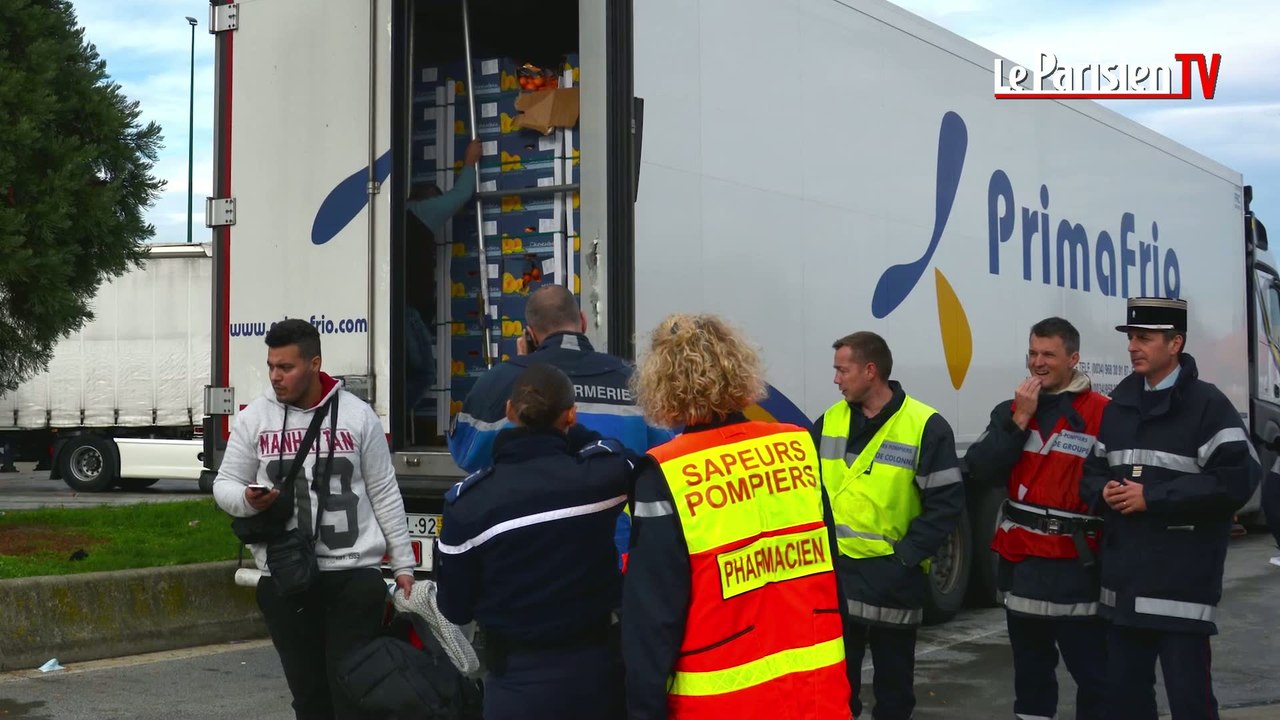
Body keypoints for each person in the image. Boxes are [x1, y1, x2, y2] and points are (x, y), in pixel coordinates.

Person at [622, 313, 851, 720]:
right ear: (739, 369)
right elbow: (833, 578)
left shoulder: (667, 473)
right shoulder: (796, 447)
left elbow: (653, 619)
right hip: (817, 697)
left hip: (721, 705)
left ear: (662, 383)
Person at [212, 318, 417, 720]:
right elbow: (224, 485)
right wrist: (248, 499)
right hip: (287, 578)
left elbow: (384, 492)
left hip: (353, 577)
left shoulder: (359, 417)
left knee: (353, 694)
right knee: (309, 698)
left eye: (285, 367)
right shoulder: (255, 418)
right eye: (271, 366)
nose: (275, 376)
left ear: (314, 363)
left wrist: (404, 563)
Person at [1080, 297, 1261, 720]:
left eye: (1144, 338)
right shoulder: (1119, 407)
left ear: (1175, 343)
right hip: (1123, 596)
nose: (1132, 347)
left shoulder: (1207, 406)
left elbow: (1238, 480)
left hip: (1180, 596)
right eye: (1130, 338)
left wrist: (1153, 498)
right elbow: (1091, 470)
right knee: (1124, 704)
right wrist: (1103, 490)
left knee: (1190, 705)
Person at [435, 363, 631, 720]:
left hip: (516, 686)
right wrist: (570, 430)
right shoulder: (601, 478)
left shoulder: (469, 505)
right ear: (570, 415)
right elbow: (617, 453)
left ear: (510, 412)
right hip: (597, 676)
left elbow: (455, 609)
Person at [448, 284, 673, 561]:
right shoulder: (634, 380)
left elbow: (465, 454)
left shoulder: (502, 382)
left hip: (535, 555)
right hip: (619, 555)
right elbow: (666, 454)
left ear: (528, 334)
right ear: (583, 320)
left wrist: (522, 364)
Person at [813, 331, 964, 720]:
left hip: (892, 580)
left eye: (841, 370)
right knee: (836, 688)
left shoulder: (925, 425)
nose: (836, 379)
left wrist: (906, 558)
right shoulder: (829, 422)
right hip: (839, 575)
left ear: (870, 370)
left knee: (894, 690)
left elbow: (946, 506)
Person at [964, 317, 1109, 720]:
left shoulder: (1102, 414)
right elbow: (981, 469)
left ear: (1074, 359)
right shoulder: (1010, 411)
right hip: (1023, 566)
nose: (1037, 363)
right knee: (1030, 678)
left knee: (1096, 678)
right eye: (1032, 353)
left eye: (1048, 354)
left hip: (1078, 567)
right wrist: (1019, 421)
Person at [404, 139, 482, 412]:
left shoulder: (400, 220)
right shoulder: (420, 212)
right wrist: (471, 161)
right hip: (409, 310)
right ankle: (387, 422)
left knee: (405, 371)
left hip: (402, 309)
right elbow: (460, 195)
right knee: (423, 373)